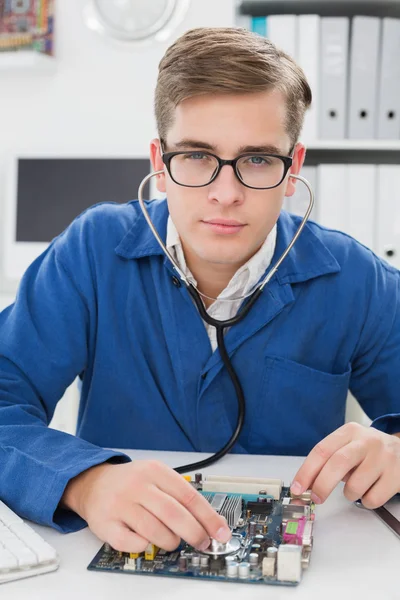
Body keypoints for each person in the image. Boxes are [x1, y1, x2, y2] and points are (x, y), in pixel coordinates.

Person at [0, 27, 399, 556]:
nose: (226, 193)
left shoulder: (355, 278)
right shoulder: (91, 252)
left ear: (292, 168)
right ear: (159, 164)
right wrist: (84, 482)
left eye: (258, 159)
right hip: (116, 558)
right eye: (196, 156)